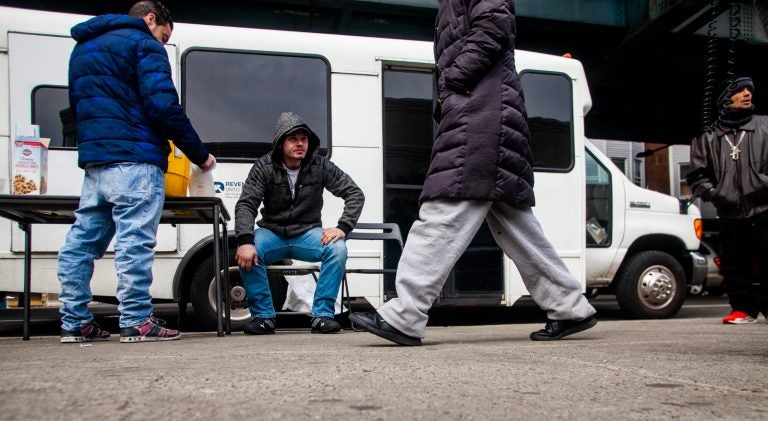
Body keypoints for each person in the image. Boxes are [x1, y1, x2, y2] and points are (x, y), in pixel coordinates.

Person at [350, 0, 597, 346]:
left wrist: (452, 81)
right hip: (485, 116)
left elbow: (494, 27)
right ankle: (570, 306)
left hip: (480, 118)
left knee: (442, 212)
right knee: (517, 229)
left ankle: (406, 313)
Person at [58, 1, 216, 344]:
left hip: (96, 161)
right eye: (163, 35)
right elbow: (163, 105)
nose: (161, 42)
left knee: (81, 243)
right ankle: (136, 320)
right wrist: (199, 154)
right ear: (150, 19)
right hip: (136, 158)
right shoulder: (144, 45)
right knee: (134, 242)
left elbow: (77, 105)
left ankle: (74, 322)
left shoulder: (84, 48)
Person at [234, 112, 365, 335]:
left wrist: (343, 227)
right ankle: (264, 317)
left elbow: (354, 193)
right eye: (293, 139)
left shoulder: (320, 165)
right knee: (248, 251)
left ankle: (322, 316)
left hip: (307, 233)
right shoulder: (264, 166)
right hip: (272, 232)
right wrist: (245, 240)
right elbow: (246, 204)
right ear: (280, 142)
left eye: (303, 139)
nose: (300, 144)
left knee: (337, 249)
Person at [687, 76, 768, 324]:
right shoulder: (708, 137)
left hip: (764, 207)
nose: (747, 93)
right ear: (724, 99)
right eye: (740, 90)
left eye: (749, 90)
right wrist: (717, 195)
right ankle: (743, 309)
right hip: (729, 210)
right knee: (735, 262)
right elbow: (697, 176)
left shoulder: (765, 126)